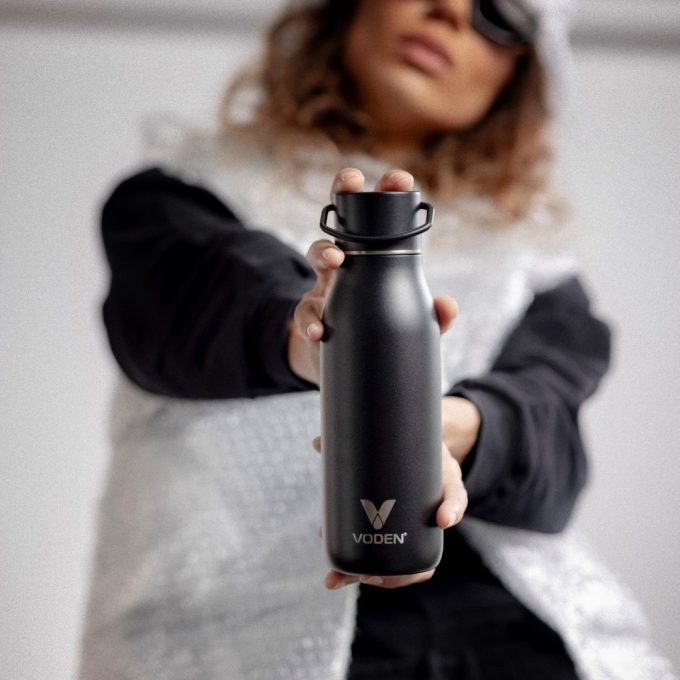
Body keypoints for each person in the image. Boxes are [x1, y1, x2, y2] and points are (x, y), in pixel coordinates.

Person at [79, 1, 677, 679]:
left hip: (519, 634)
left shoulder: (536, 272)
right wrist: (312, 337)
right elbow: (198, 300)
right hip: (234, 641)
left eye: (500, 11)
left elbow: (551, 442)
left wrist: (441, 429)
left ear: (519, 74)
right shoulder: (177, 201)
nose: (450, 11)